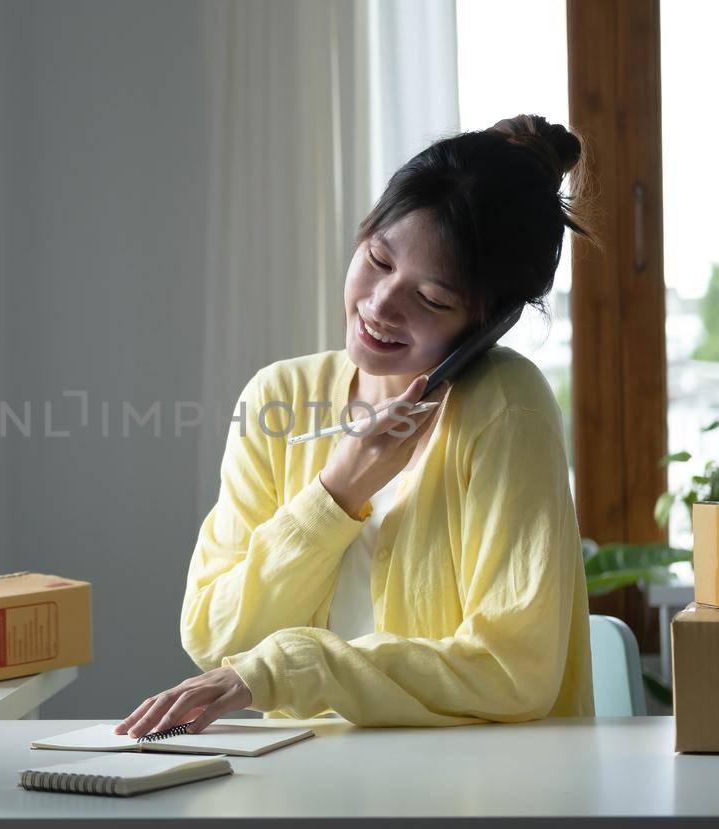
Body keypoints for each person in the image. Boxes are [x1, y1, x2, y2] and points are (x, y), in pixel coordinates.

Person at [116, 115, 595, 738]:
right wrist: (336, 494)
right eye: (377, 259)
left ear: (486, 326)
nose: (381, 305)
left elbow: (512, 668)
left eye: (432, 300)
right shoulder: (279, 396)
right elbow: (215, 634)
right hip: (313, 780)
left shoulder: (507, 407)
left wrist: (290, 667)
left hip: (478, 788)